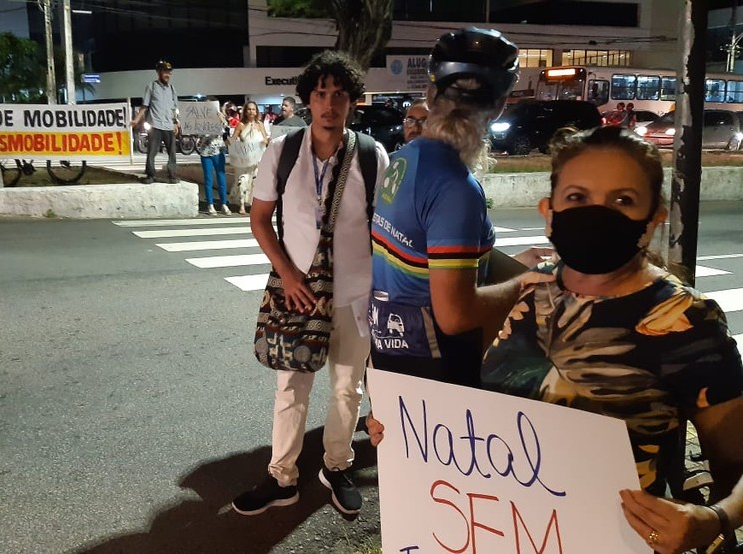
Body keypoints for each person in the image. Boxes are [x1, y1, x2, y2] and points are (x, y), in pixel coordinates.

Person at [370, 126, 743, 554]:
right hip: (501, 535)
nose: (597, 214)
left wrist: (715, 518)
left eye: (623, 200)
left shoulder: (685, 322)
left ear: (653, 218)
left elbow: (736, 462)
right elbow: (487, 416)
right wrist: (409, 437)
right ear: (548, 211)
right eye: (578, 197)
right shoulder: (529, 291)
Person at [231, 50, 390, 517]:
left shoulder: (370, 154)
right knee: (291, 388)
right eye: (320, 94)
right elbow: (260, 219)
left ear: (352, 102)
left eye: (339, 95)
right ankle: (282, 477)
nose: (329, 103)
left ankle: (337, 465)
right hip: (298, 295)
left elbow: (382, 226)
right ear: (307, 100)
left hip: (356, 295)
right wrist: (286, 272)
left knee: (347, 388)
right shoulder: (281, 153)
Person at [366, 27, 548, 389]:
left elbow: (425, 253)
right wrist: (523, 284)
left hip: (389, 350)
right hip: (437, 366)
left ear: (432, 95)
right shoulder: (456, 188)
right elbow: (455, 315)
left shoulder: (403, 162)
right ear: (497, 107)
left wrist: (511, 264)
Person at [130, 60, 180, 184]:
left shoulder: (172, 89)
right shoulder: (151, 87)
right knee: (152, 152)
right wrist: (136, 120)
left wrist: (176, 122)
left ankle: (172, 175)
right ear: (158, 72)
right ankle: (150, 175)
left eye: (169, 72)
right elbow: (145, 106)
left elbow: (174, 109)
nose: (167, 74)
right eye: (164, 72)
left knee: (172, 153)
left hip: (169, 126)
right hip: (155, 125)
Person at [228, 101, 270, 207]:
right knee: (243, 180)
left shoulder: (260, 125)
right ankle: (241, 204)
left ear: (256, 112)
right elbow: (233, 140)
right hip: (244, 159)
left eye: (253, 109)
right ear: (246, 111)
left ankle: (253, 203)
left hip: (257, 160)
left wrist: (265, 141)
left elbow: (265, 139)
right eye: (249, 109)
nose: (251, 111)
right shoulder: (241, 125)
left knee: (255, 182)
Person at [197, 98, 229, 215]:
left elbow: (225, 130)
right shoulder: (200, 120)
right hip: (205, 152)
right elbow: (200, 134)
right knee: (208, 179)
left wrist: (222, 119)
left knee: (221, 178)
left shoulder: (220, 116)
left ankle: (224, 204)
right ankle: (210, 204)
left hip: (219, 151)